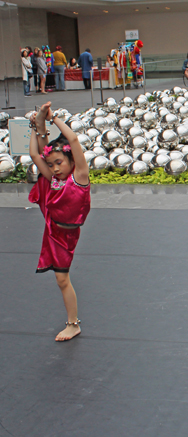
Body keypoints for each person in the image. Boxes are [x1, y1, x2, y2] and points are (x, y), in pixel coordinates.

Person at [28, 102, 91, 342]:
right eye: (51, 164)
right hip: (52, 230)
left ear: (71, 162)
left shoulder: (79, 177)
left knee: (62, 278)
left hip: (66, 236)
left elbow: (73, 141)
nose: (54, 168)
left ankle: (73, 324)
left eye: (59, 163)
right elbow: (36, 155)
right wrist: (35, 127)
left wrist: (54, 119)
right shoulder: (53, 179)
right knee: (60, 278)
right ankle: (72, 322)